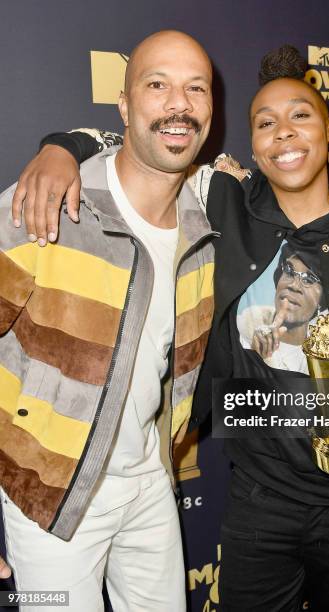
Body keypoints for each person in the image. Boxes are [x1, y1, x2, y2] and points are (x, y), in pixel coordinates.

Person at [8, 45, 329, 612]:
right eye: (265, 123)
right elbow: (150, 141)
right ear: (253, 144)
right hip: (259, 501)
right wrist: (63, 148)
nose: (283, 133)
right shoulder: (221, 195)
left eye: (301, 116)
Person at [0, 29, 216, 611]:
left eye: (196, 88)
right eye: (157, 85)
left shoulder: (207, 217)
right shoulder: (44, 203)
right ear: (124, 104)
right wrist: (61, 147)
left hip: (149, 482)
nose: (179, 104)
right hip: (48, 495)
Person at [238, 242, 328, 372]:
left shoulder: (327, 346)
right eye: (289, 271)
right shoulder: (246, 326)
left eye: (309, 279)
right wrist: (253, 356)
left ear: (322, 300)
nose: (294, 286)